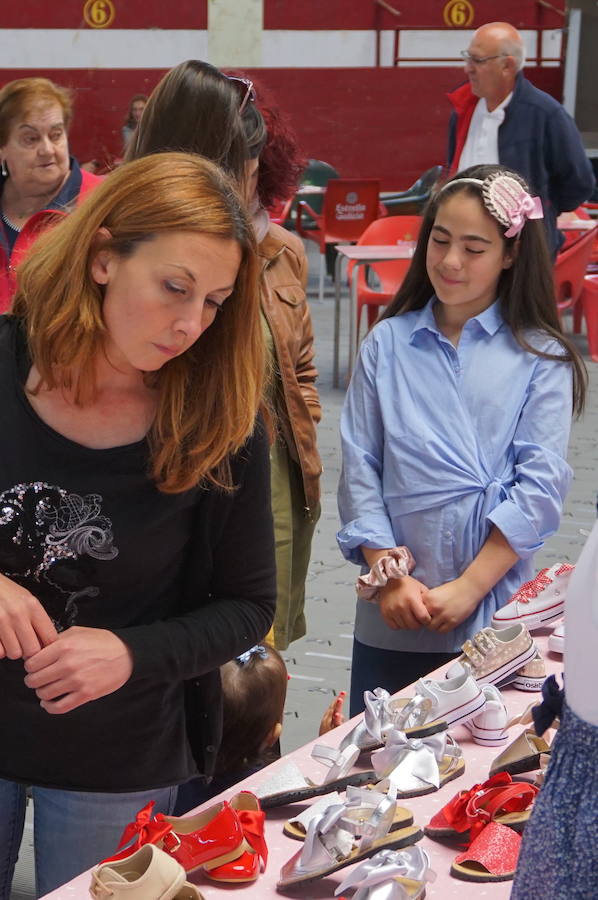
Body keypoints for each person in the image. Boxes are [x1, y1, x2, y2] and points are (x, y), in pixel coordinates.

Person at [0, 152, 275, 898]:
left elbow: (249, 605)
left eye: (214, 301)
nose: (190, 324)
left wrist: (129, 653)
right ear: (102, 258)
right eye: (174, 287)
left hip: (121, 754)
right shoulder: (5, 360)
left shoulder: (222, 417)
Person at [337, 164, 586, 716]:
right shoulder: (388, 343)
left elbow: (538, 488)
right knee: (377, 763)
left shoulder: (541, 357)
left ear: (510, 253)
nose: (450, 261)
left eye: (474, 248)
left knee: (477, 772)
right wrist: (389, 575)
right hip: (394, 605)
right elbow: (359, 467)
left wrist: (471, 587)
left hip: (493, 605)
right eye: (440, 240)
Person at [127, 60, 322, 651]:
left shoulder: (278, 252)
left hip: (268, 496)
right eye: (232, 176)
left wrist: (294, 438)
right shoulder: (127, 252)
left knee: (257, 685)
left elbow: (300, 371)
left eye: (253, 178)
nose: (241, 198)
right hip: (168, 503)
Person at [446, 22, 595, 257]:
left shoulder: (545, 115)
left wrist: (542, 211)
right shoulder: (463, 110)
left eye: (478, 60)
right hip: (466, 247)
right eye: (468, 58)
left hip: (524, 252)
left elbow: (579, 183)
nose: (468, 69)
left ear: (507, 66)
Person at [175, 644, 346, 815]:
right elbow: (319, 806)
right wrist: (328, 748)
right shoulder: (271, 789)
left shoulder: (172, 784)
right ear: (272, 735)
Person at [0, 77, 102, 312]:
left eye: (56, 135)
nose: (47, 150)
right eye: (31, 139)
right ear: (2, 149)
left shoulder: (104, 202)